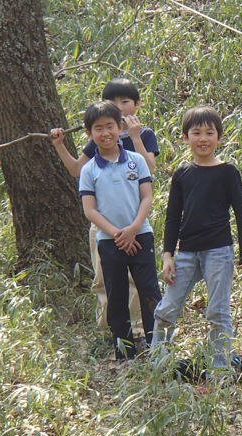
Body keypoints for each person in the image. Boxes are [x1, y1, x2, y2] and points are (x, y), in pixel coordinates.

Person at [50, 78, 158, 341]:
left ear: (136, 105)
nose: (120, 108)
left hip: (137, 223)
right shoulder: (98, 142)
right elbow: (78, 171)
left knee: (145, 286)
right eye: (113, 103)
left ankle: (152, 338)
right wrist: (60, 145)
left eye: (125, 103)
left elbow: (150, 171)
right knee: (109, 283)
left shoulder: (143, 136)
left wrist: (134, 136)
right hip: (106, 228)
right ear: (90, 132)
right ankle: (118, 338)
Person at [150, 106, 242, 372]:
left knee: (217, 312)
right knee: (166, 310)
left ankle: (220, 370)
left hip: (218, 251)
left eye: (210, 132)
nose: (203, 138)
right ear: (185, 138)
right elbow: (172, 217)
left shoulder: (227, 172)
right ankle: (155, 364)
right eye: (196, 133)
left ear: (219, 138)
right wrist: (167, 255)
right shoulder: (182, 174)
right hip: (186, 253)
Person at [77, 100, 161, 360]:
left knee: (150, 291)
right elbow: (90, 210)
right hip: (109, 240)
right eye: (98, 128)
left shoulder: (137, 160)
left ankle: (157, 346)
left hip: (141, 235)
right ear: (89, 134)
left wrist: (133, 229)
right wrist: (117, 234)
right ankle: (124, 351)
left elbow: (146, 197)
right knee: (116, 294)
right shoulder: (88, 170)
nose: (105, 133)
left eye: (110, 126)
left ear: (121, 127)